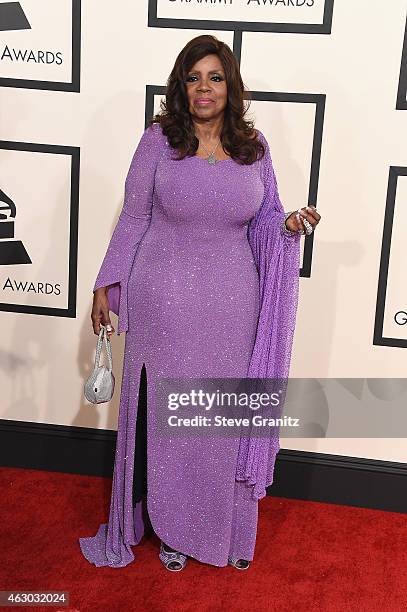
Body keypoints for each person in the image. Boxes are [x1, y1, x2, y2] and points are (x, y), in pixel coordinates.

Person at [79, 34, 321, 572]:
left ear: (230, 86)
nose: (204, 88)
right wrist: (106, 282)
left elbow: (264, 220)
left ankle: (210, 525)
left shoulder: (252, 147)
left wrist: (288, 226)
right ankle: (169, 526)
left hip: (234, 303)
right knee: (168, 418)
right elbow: (135, 218)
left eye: (214, 77)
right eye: (194, 78)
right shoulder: (157, 142)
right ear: (181, 87)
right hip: (162, 298)